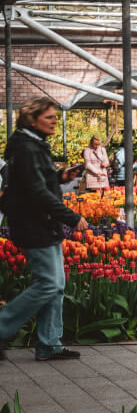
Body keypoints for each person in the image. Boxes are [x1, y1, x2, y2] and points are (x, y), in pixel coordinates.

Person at [0, 97, 90, 362]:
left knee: (57, 285)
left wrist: (61, 177)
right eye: (49, 117)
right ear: (32, 119)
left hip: (43, 223)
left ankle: (49, 344)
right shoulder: (27, 147)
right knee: (49, 282)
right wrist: (71, 217)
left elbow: (37, 181)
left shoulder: (33, 144)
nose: (54, 121)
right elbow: (36, 191)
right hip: (34, 223)